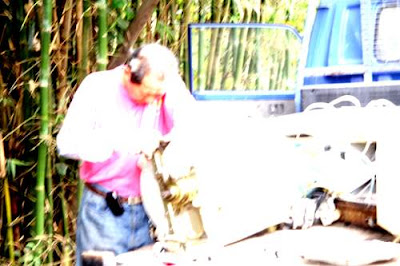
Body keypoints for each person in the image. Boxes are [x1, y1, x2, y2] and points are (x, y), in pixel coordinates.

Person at [56, 43, 196, 265]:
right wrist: (120, 141)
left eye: (158, 95)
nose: (153, 100)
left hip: (153, 209)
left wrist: (167, 146)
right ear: (129, 73)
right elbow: (66, 143)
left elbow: (193, 124)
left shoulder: (166, 88)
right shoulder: (97, 87)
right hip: (104, 211)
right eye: (148, 94)